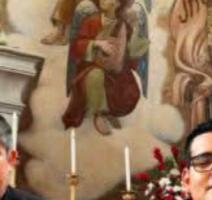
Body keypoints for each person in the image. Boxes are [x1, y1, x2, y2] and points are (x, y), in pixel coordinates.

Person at [62, 0, 149, 135]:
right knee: (96, 76)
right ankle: (99, 113)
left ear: (117, 4)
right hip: (91, 69)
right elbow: (76, 48)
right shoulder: (91, 21)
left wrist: (135, 31)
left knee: (129, 92)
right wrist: (97, 44)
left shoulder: (123, 25)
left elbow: (132, 55)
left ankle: (109, 112)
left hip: (117, 72)